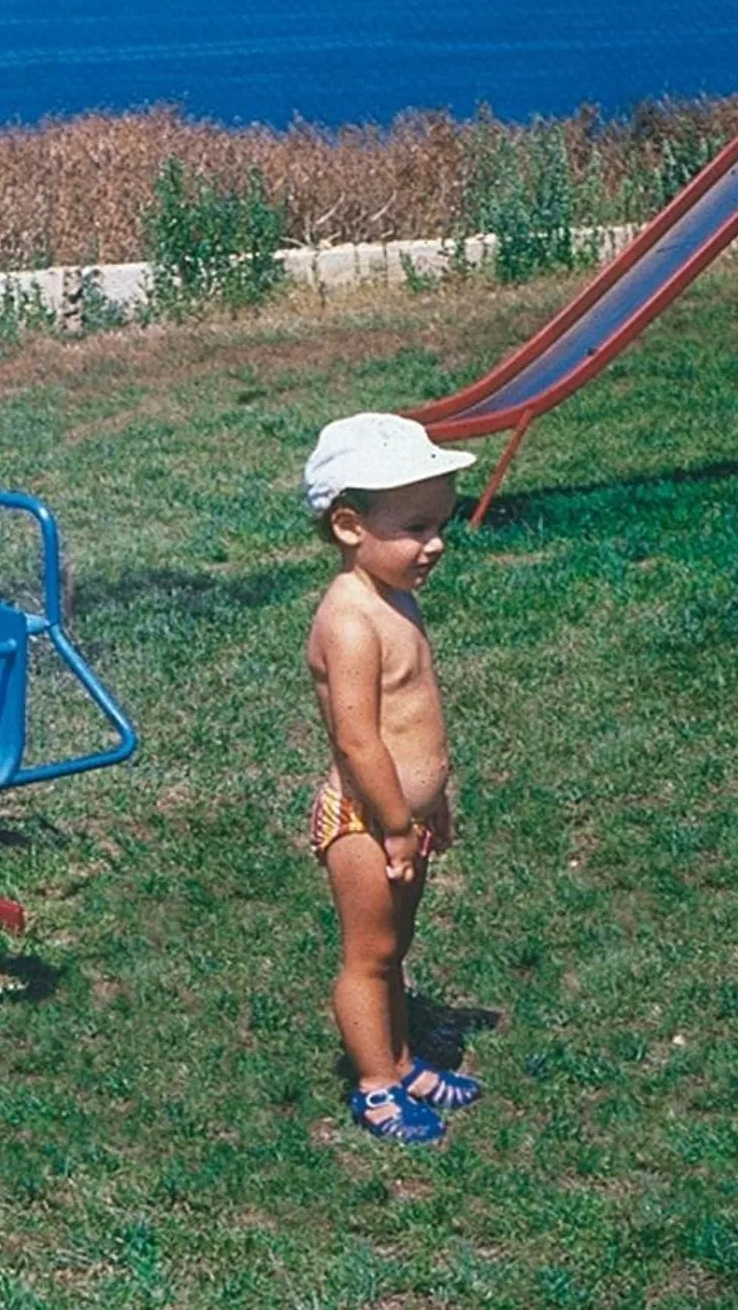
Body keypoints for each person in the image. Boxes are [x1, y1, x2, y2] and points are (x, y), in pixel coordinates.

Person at [301, 413, 484, 1145]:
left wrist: (433, 798)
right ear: (350, 526)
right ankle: (375, 1085)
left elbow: (417, 717)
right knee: (368, 955)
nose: (434, 543)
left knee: (394, 952)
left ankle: (403, 1059)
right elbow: (358, 736)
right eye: (415, 527)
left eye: (441, 524)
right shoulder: (348, 620)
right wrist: (397, 825)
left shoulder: (394, 597)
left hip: (405, 821)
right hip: (363, 822)